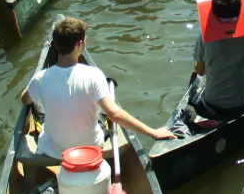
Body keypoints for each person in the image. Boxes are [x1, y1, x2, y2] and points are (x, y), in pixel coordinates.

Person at [21, 17, 174, 159]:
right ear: (79, 44)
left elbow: (25, 99)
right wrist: (153, 132)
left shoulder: (40, 78)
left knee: (38, 107)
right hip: (91, 148)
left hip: (54, 152)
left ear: (55, 45)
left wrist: (36, 86)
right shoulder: (94, 75)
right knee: (100, 110)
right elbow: (114, 114)